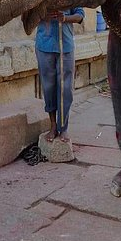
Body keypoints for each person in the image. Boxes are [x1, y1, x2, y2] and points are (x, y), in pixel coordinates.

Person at [35, 8, 84, 142]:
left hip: (65, 47)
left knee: (65, 89)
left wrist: (65, 18)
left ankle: (64, 128)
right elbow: (29, 16)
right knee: (48, 87)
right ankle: (53, 126)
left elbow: (80, 15)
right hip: (44, 45)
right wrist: (43, 15)